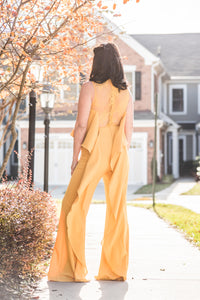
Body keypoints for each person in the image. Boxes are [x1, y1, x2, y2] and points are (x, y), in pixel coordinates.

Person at [48, 42, 133, 282]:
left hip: (94, 149)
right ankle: (114, 271)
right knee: (118, 211)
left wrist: (74, 158)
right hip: (119, 151)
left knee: (72, 206)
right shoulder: (126, 93)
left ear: (98, 63)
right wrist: (121, 156)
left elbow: (81, 125)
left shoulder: (89, 87)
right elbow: (129, 130)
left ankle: (71, 270)